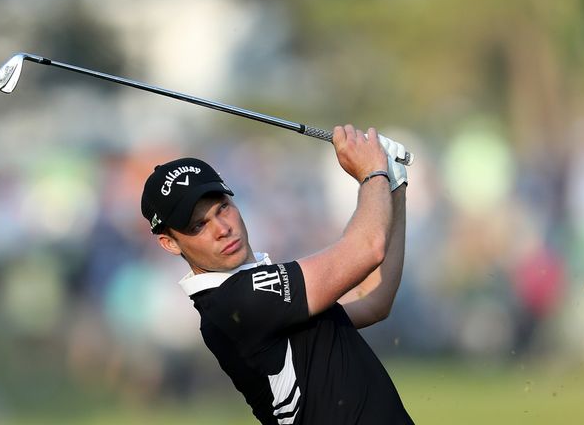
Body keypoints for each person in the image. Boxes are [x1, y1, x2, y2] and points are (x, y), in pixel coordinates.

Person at [140, 126, 413, 424]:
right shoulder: (233, 303)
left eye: (223, 208)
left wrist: (393, 183)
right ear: (170, 242)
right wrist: (373, 173)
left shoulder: (266, 290)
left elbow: (372, 298)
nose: (222, 229)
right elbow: (367, 248)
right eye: (198, 226)